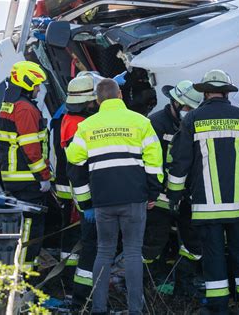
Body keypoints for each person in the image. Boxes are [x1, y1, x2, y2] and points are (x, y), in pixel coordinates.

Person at [66, 78, 163, 314]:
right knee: (132, 252)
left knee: (104, 251)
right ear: (120, 96)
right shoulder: (140, 122)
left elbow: (74, 161)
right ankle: (135, 310)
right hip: (134, 197)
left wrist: (85, 202)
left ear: (97, 100)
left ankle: (98, 308)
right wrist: (152, 193)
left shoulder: (86, 126)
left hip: (102, 200)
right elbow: (154, 162)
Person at [167, 69, 239, 314]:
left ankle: (218, 306)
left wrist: (174, 196)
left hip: (206, 207)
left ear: (205, 92)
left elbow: (180, 162)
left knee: (213, 258)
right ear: (226, 92)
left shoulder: (192, 119)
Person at [143, 80, 203, 295]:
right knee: (153, 242)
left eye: (192, 109)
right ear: (174, 103)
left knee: (194, 244)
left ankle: (184, 286)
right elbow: (148, 163)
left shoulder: (195, 122)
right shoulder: (155, 124)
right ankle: (148, 286)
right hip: (159, 197)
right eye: (186, 107)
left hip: (187, 196)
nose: (188, 112)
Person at [0, 60, 51, 271]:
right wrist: (44, 176)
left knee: (25, 226)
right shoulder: (25, 108)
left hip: (15, 177)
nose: (38, 89)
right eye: (36, 84)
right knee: (32, 227)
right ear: (27, 82)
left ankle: (23, 270)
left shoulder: (11, 103)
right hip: (27, 179)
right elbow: (31, 149)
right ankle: (25, 274)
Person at [59, 75, 99, 310]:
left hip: (83, 195)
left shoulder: (71, 117)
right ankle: (81, 297)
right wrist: (86, 203)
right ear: (88, 103)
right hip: (86, 196)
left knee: (88, 245)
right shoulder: (77, 124)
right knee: (90, 246)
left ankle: (79, 292)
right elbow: (78, 169)